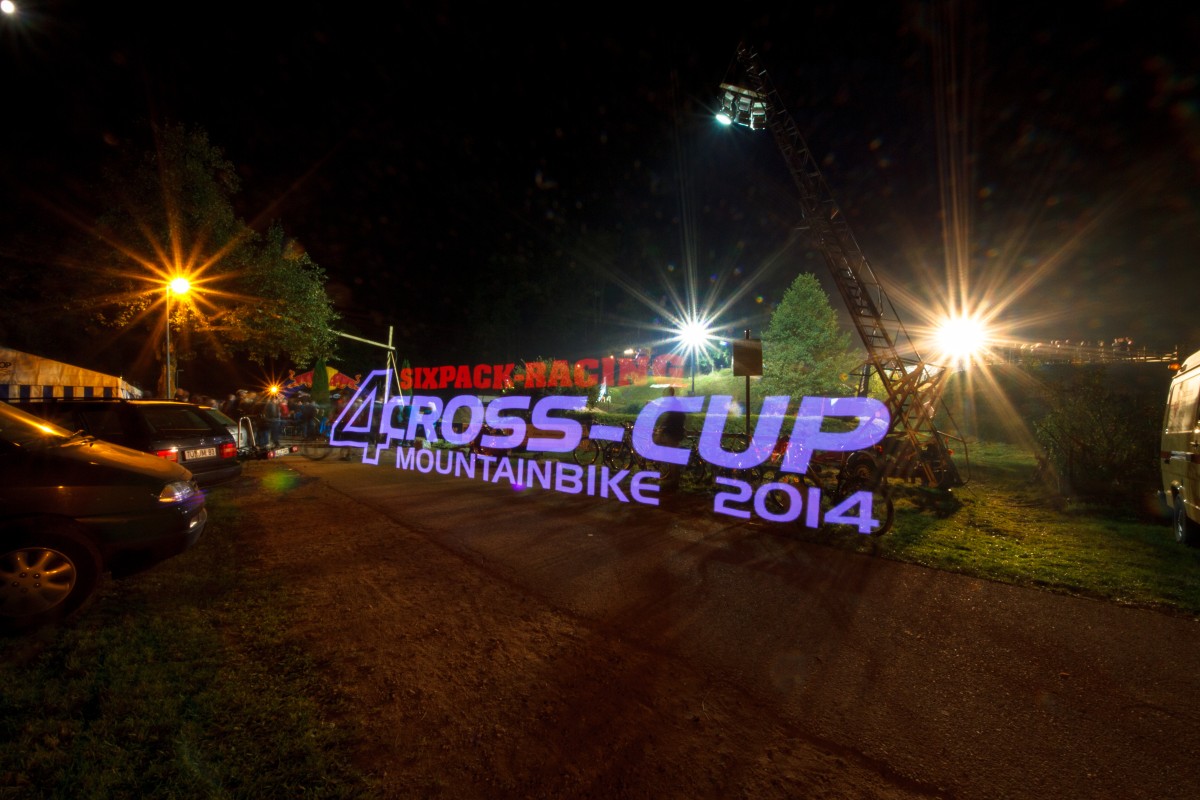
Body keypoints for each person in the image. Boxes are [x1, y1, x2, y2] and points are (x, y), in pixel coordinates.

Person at [655, 387, 687, 492]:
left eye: (664, 393)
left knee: (672, 457)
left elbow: (670, 418)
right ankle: (671, 476)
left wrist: (663, 426)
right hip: (674, 432)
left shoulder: (673, 403)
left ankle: (674, 481)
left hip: (672, 433)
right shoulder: (675, 403)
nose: (663, 396)